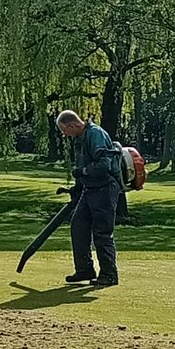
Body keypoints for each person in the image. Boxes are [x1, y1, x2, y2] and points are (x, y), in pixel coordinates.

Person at [56, 110, 122, 287]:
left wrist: (83, 172)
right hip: (90, 188)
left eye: (64, 130)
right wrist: (74, 189)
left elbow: (103, 165)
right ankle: (85, 269)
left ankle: (109, 274)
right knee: (78, 226)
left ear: (72, 125)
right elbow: (82, 167)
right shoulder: (80, 138)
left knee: (102, 232)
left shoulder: (95, 134)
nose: (65, 135)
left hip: (105, 187)